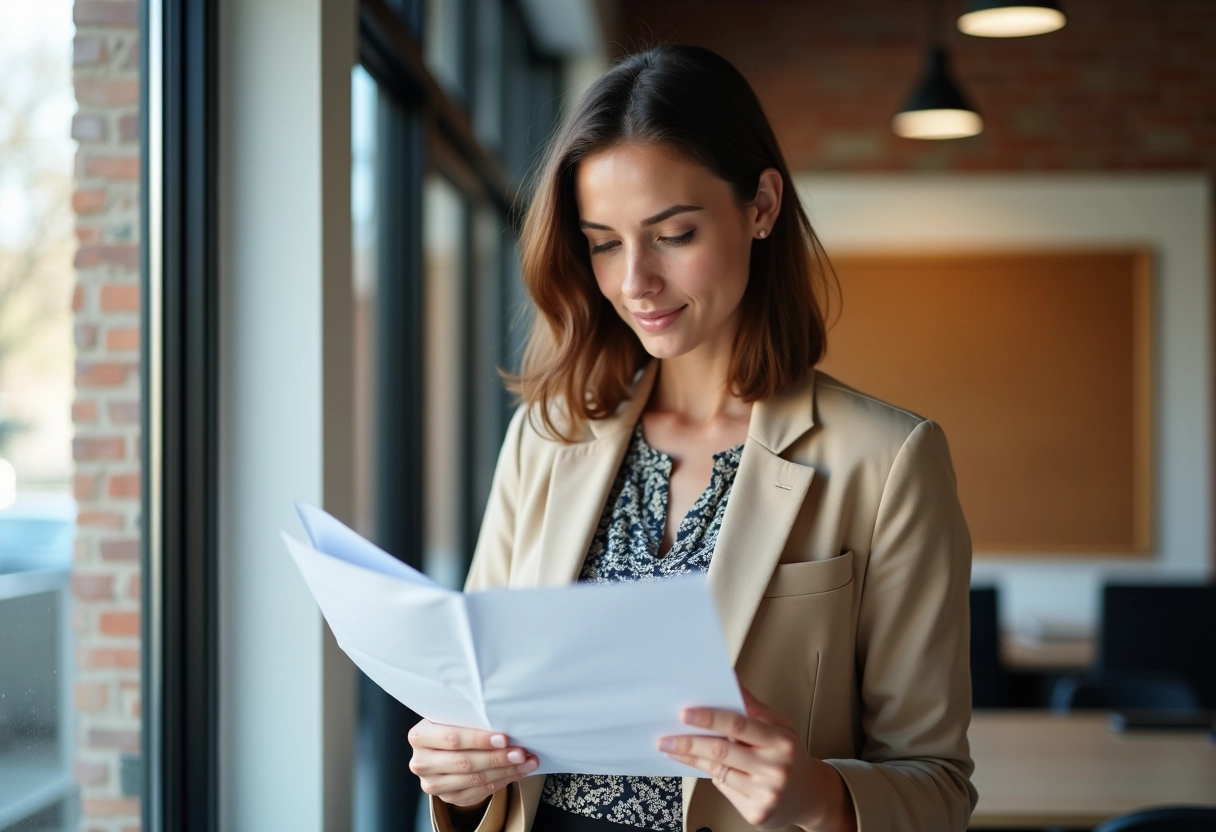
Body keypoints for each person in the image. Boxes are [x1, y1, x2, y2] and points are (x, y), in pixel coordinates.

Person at [408, 44, 976, 832]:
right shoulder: (546, 438)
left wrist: (817, 797)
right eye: (603, 242)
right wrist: (456, 780)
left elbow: (939, 785)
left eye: (672, 234)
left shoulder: (886, 462)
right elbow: (474, 713)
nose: (633, 281)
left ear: (762, 206)